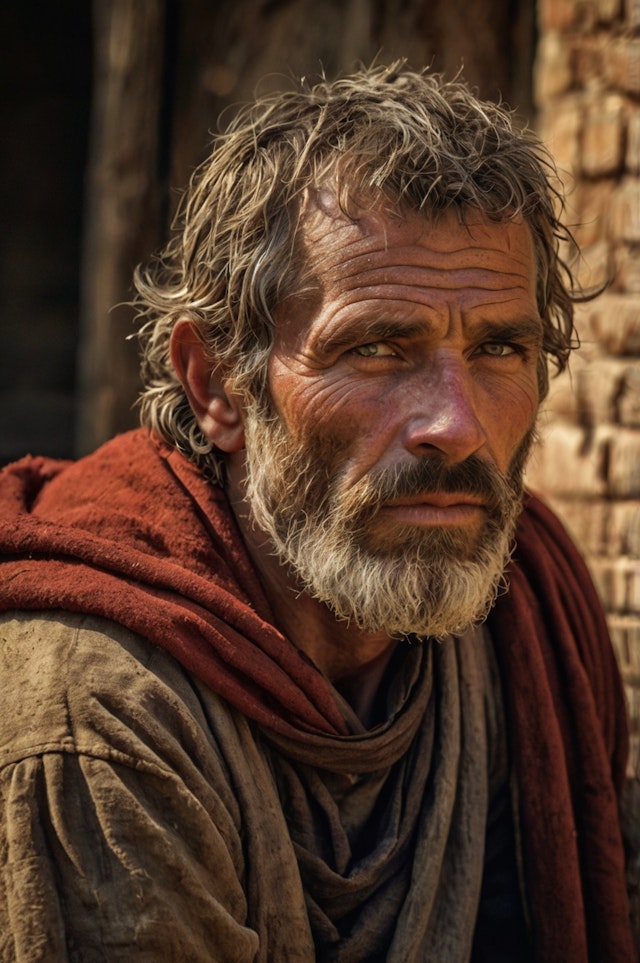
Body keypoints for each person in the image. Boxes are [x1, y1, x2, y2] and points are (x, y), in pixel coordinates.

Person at [0, 62, 636, 962]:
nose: (455, 427)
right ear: (215, 382)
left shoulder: (522, 616)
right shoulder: (97, 725)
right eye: (378, 347)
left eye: (500, 347)